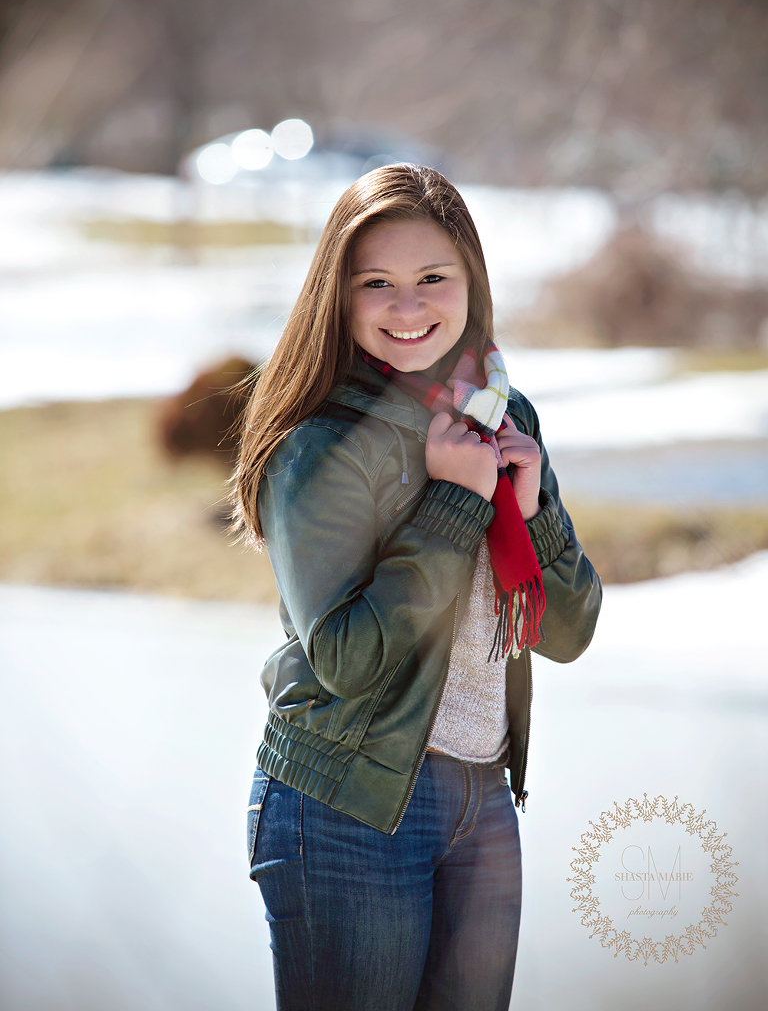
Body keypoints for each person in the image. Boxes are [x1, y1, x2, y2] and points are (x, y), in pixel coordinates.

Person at [234, 164, 601, 1011]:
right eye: (378, 284)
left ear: (472, 282)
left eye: (433, 278)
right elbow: (349, 661)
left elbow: (568, 634)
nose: (409, 308)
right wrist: (450, 503)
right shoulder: (319, 447)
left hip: (484, 800)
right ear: (341, 294)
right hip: (345, 808)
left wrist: (531, 501)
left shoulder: (503, 418)